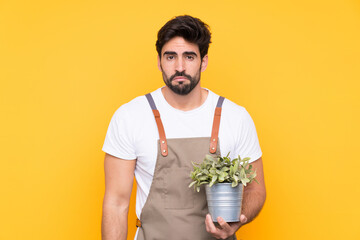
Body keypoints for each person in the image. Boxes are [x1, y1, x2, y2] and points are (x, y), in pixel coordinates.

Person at [101, 15, 266, 240]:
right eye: (171, 57)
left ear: (204, 61)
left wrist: (238, 218)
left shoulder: (236, 117)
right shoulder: (130, 116)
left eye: (189, 57)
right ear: (159, 61)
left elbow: (256, 190)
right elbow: (116, 204)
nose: (180, 67)